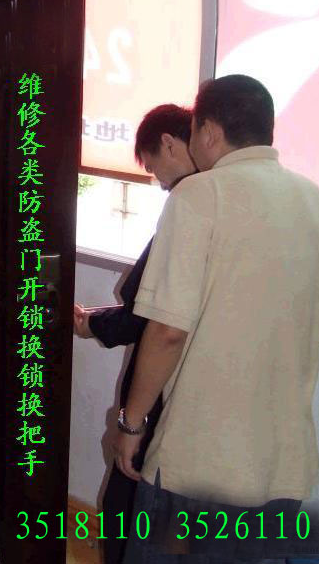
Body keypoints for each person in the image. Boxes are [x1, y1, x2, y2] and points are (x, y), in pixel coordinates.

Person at [115, 75, 319, 563]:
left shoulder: (199, 196)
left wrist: (131, 425)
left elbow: (167, 332)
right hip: (283, 468)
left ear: (209, 131)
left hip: (200, 467)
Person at [73, 104, 197, 564]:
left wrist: (131, 425)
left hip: (167, 405)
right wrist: (99, 320)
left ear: (168, 143)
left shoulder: (192, 209)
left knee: (126, 513)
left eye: (152, 165)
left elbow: (155, 323)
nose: (156, 179)